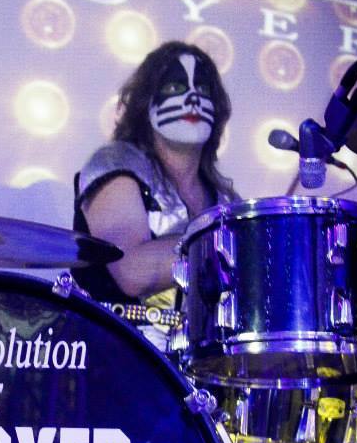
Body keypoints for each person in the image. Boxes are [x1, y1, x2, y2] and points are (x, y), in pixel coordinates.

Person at [73, 40, 237, 325]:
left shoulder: (224, 199)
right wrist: (232, 242)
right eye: (175, 87)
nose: (193, 98)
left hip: (196, 353)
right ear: (146, 103)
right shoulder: (116, 163)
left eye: (203, 88)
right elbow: (132, 272)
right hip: (111, 344)